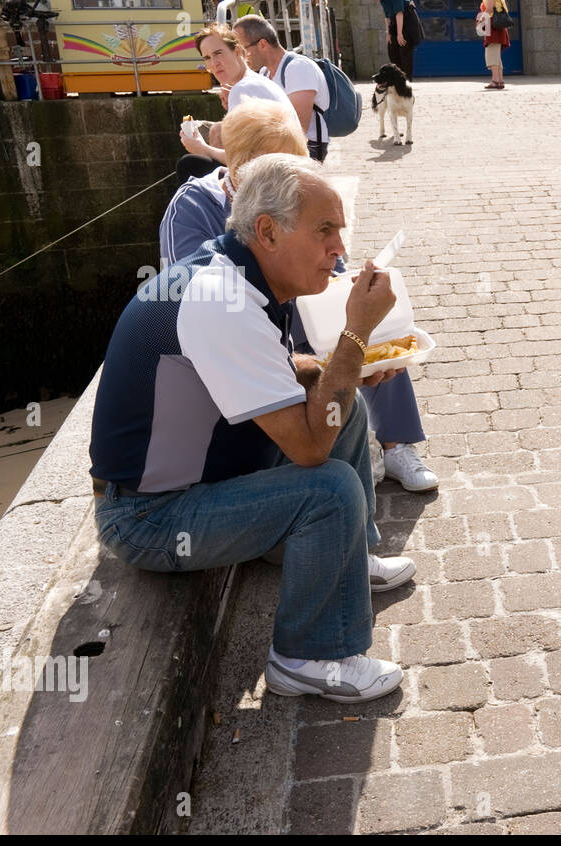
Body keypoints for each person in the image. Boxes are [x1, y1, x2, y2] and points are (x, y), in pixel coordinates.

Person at [92, 154, 415, 703]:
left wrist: (345, 369)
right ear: (267, 231)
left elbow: (280, 370)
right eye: (324, 231)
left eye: (340, 230)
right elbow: (311, 450)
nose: (340, 248)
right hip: (147, 515)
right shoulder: (220, 300)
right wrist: (356, 334)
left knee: (347, 406)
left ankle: (350, 558)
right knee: (329, 490)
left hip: (207, 482)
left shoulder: (238, 273)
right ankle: (309, 656)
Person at [162, 101, 440, 495]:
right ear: (243, 166)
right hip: (248, 331)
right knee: (351, 343)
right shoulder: (195, 210)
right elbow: (195, 291)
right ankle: (338, 482)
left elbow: (329, 268)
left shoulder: (292, 199)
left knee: (372, 329)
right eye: (279, 166)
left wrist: (344, 291)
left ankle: (395, 445)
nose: (291, 177)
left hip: (293, 317)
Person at [178, 24, 292, 182]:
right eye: (208, 58)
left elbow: (243, 160)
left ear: (237, 51)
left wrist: (201, 148)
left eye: (219, 53)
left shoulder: (243, 89)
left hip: (273, 177)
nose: (214, 63)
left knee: (189, 164)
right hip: (284, 169)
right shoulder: (254, 82)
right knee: (216, 132)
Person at [234, 15, 330, 163]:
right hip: (279, 147)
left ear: (262, 44)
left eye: (242, 50)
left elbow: (298, 127)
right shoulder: (264, 73)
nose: (240, 57)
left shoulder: (298, 68)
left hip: (306, 147)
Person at [382, 0, 421, 80]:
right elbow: (387, 16)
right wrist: (388, 33)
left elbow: (399, 13)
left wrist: (400, 34)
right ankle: (397, 80)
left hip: (408, 22)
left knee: (404, 51)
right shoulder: (382, 1)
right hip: (395, 22)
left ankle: (406, 82)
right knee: (392, 50)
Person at [477, 0, 511, 89]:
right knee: (496, 56)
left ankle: (495, 81)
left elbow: (489, 10)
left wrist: (480, 22)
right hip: (498, 26)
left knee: (492, 54)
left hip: (492, 26)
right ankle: (500, 81)